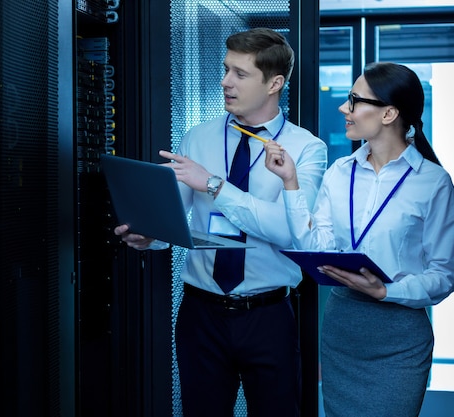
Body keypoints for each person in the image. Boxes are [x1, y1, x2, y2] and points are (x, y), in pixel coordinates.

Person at [114, 28, 327, 417]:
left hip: (268, 316)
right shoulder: (198, 137)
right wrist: (150, 235)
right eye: (225, 69)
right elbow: (174, 217)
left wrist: (213, 185)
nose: (225, 82)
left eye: (240, 74)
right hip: (201, 314)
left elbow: (288, 230)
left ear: (274, 83)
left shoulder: (306, 148)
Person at [264, 62, 454, 417]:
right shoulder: (339, 173)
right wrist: (290, 184)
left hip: (400, 340)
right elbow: (316, 246)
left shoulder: (433, 182)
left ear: (389, 113)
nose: (345, 108)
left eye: (355, 100)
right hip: (342, 329)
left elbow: (446, 274)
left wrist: (386, 291)